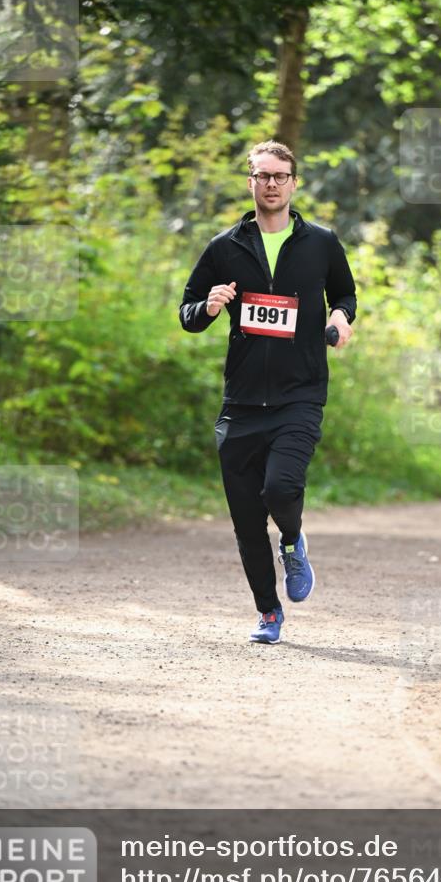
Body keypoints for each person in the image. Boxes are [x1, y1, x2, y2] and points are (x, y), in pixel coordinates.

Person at [179, 140, 357, 644]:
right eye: (263, 175)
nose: (272, 184)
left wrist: (340, 317)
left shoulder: (321, 242)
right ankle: (268, 613)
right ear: (250, 182)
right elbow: (188, 313)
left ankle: (294, 541)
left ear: (294, 183)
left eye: (280, 176)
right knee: (246, 520)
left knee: (280, 488)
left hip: (300, 394)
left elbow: (345, 293)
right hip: (240, 403)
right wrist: (209, 306)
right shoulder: (225, 247)